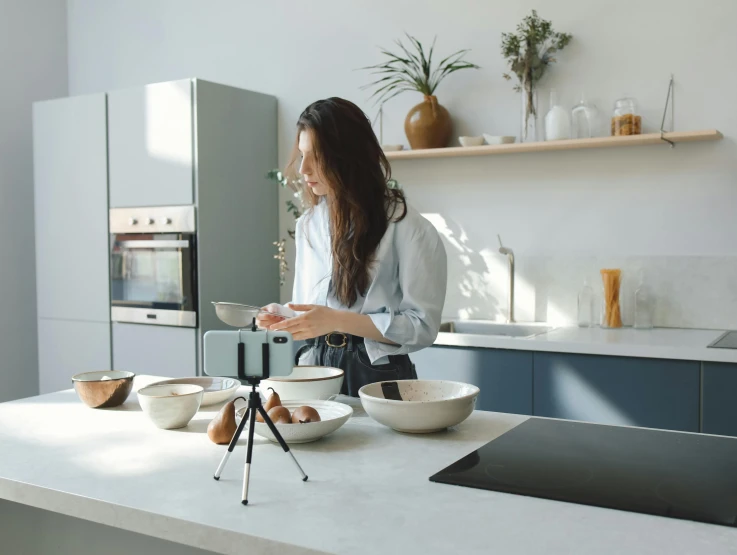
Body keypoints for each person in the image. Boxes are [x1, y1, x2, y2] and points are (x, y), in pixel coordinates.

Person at [258, 97, 447, 397]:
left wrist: (335, 320)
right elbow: (313, 308)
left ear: (348, 157)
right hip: (314, 368)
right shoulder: (309, 224)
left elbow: (422, 327)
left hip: (376, 372)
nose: (303, 168)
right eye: (303, 154)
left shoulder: (409, 228)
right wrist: (283, 316)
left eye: (316, 156)